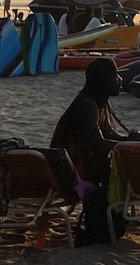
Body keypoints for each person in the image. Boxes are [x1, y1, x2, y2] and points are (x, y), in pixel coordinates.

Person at [51, 57, 127, 246]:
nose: (119, 81)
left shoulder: (97, 103)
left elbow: (110, 134)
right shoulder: (87, 105)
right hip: (70, 173)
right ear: (103, 82)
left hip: (74, 167)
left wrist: (137, 139)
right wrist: (129, 147)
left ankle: (112, 218)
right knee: (119, 165)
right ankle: (106, 222)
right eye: (115, 76)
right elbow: (97, 144)